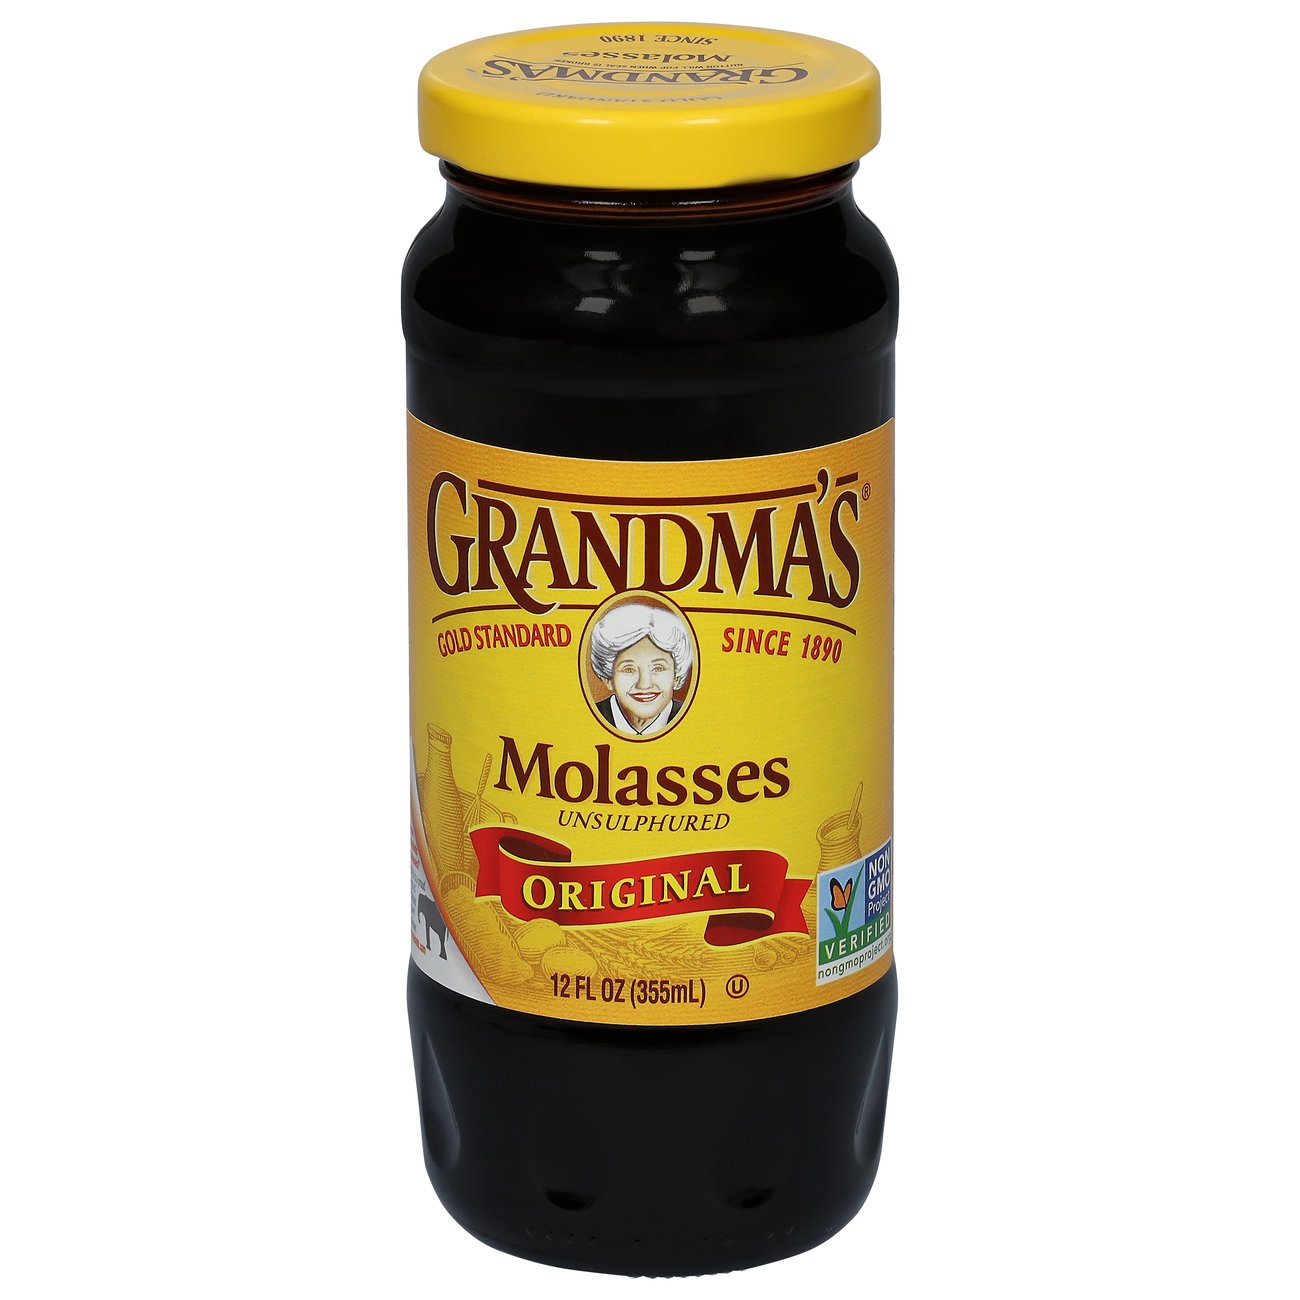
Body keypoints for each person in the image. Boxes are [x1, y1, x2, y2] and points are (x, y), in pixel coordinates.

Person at [589, 602, 693, 736]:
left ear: (676, 677)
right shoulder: (586, 719)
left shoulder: (695, 718)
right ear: (608, 678)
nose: (644, 684)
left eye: (658, 668)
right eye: (629, 669)